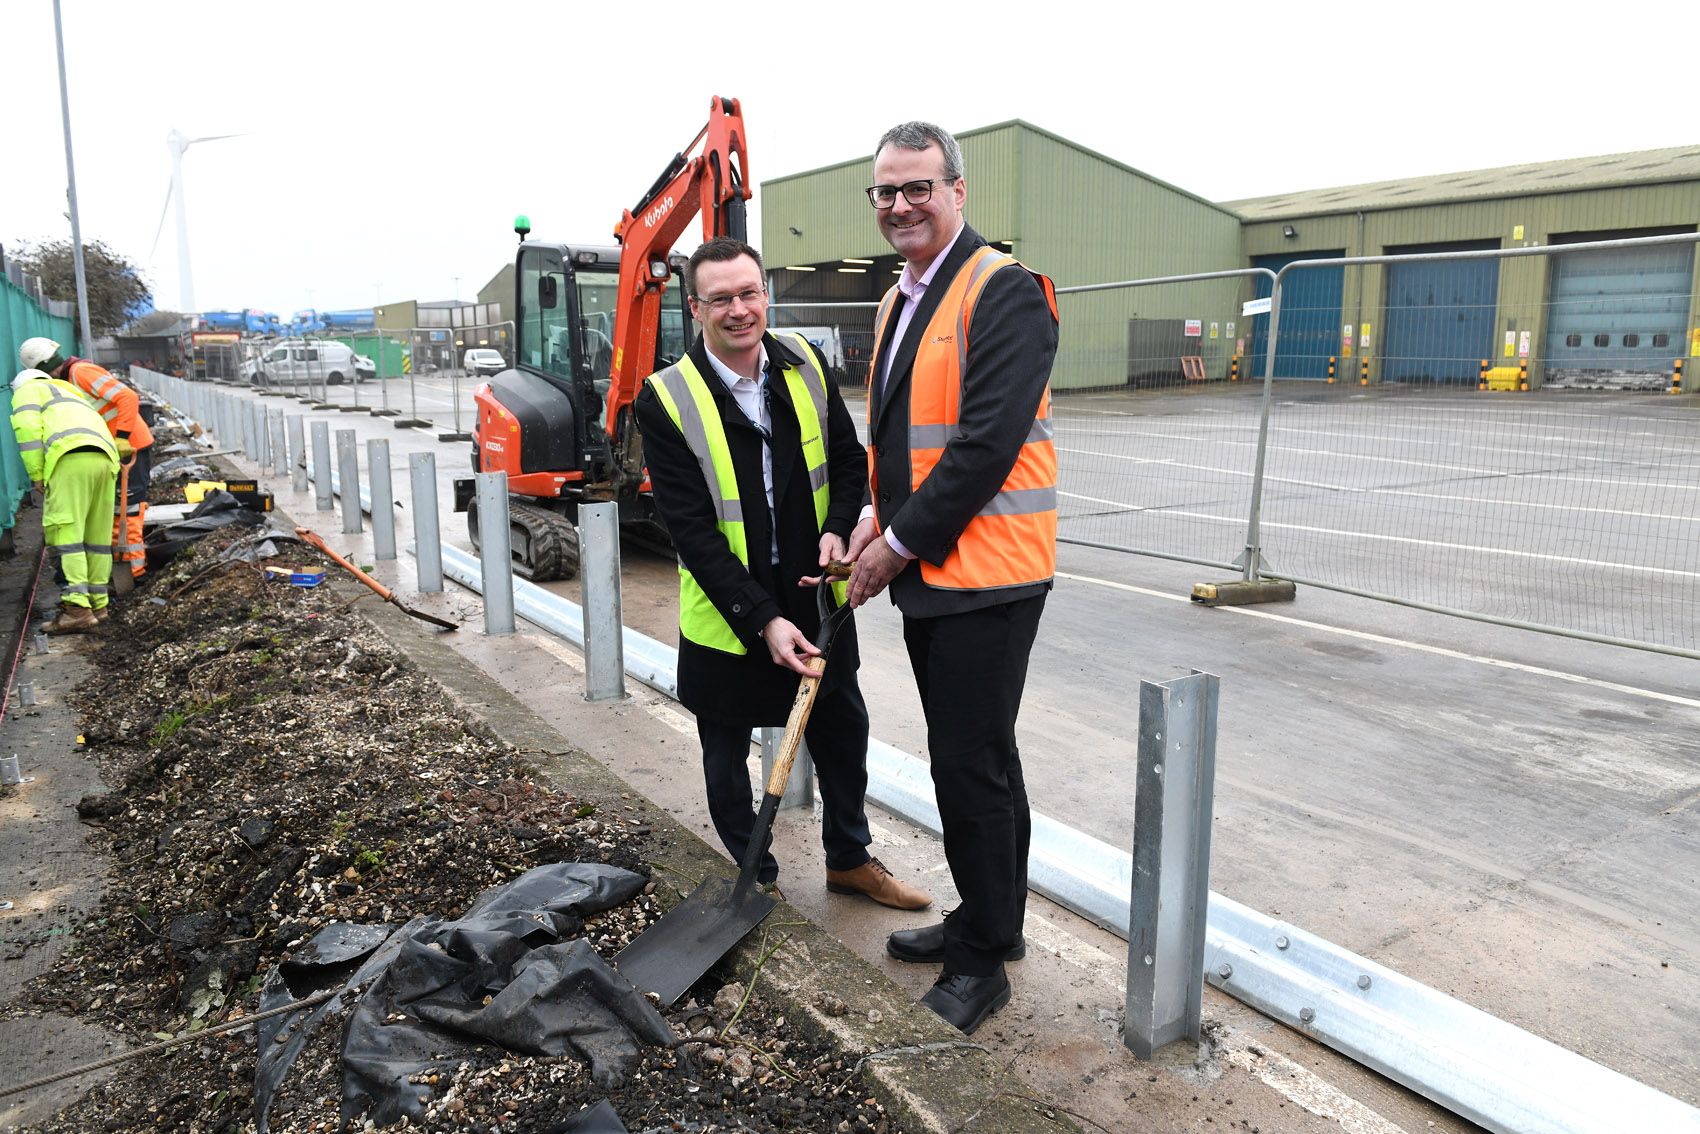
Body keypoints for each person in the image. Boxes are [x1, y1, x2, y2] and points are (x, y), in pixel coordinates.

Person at [633, 236, 931, 911]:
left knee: (842, 732)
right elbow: (693, 533)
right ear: (695, 307)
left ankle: (849, 860)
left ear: (764, 294)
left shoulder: (803, 363)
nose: (739, 310)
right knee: (726, 753)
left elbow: (850, 462)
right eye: (721, 299)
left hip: (814, 596)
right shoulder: (667, 398)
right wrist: (760, 619)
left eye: (749, 293)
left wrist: (838, 526)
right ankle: (755, 876)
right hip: (729, 611)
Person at [845, 121, 1060, 1036]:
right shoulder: (901, 299)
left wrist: (894, 543)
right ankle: (990, 922)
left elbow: (982, 448)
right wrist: (869, 515)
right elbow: (896, 436)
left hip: (988, 575)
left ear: (958, 190)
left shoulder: (1002, 291)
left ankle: (982, 967)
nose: (900, 205)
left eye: (917, 188)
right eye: (886, 191)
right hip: (939, 570)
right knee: (985, 760)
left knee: (968, 767)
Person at [18, 338, 154, 581]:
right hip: (113, 449)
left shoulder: (82, 372)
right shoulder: (69, 380)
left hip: (129, 445)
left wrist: (121, 437)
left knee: (128, 511)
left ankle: (136, 574)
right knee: (115, 512)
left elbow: (127, 397)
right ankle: (123, 571)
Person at [9, 368, 121, 633]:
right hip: (105, 458)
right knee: (97, 538)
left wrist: (37, 474)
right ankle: (98, 605)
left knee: (65, 534)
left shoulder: (27, 390)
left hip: (69, 459)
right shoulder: (69, 391)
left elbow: (27, 430)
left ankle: (77, 610)